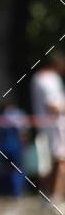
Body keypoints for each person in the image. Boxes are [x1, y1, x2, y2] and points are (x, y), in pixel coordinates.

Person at [30, 51, 65, 205]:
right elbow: (53, 106)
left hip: (46, 126)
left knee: (47, 163)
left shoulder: (38, 78)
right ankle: (56, 196)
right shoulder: (50, 79)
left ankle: (48, 195)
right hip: (54, 126)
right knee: (59, 162)